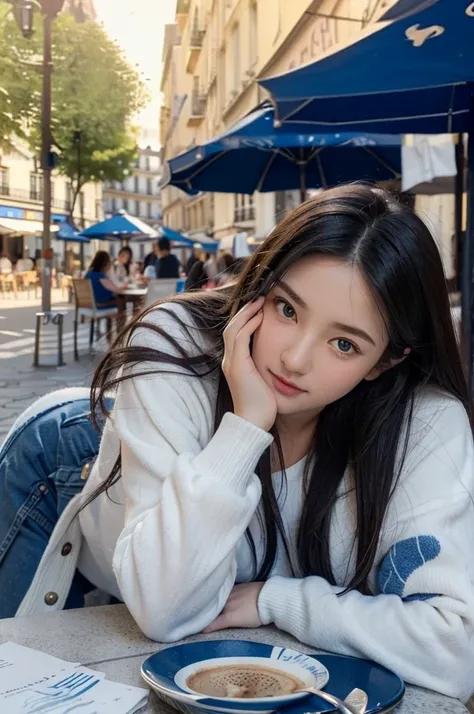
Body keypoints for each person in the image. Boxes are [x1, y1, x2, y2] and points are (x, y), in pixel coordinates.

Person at [1, 185, 474, 702]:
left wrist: (281, 600)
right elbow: (166, 610)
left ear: (386, 360)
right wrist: (246, 427)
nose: (294, 359)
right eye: (287, 309)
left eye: (344, 343)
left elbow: (457, 649)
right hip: (63, 466)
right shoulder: (173, 343)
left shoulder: (423, 422)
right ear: (259, 289)